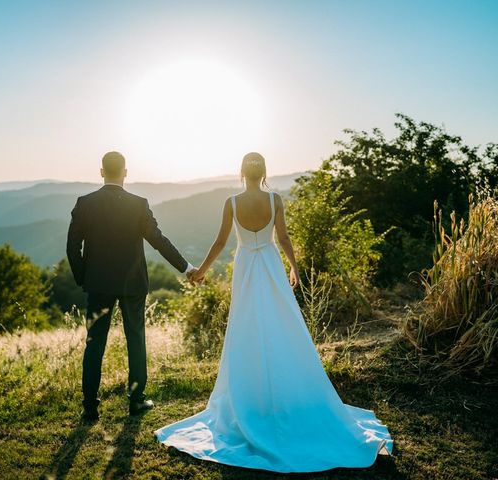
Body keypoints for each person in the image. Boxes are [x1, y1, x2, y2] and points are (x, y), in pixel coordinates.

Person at [154, 152, 393, 473]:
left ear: (242, 173)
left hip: (245, 269)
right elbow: (282, 238)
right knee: (281, 325)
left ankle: (251, 394)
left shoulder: (232, 203)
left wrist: (201, 271)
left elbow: (221, 241)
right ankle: (281, 385)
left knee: (246, 328)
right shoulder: (275, 199)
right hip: (269, 265)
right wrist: (294, 267)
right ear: (264, 173)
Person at [66, 151, 196, 422]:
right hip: (133, 284)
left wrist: (84, 278)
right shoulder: (139, 205)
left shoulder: (85, 203)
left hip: (98, 284)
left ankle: (90, 405)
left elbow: (72, 246)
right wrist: (186, 268)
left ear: (101, 171)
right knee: (135, 339)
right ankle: (136, 400)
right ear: (125, 172)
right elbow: (158, 240)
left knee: (94, 343)